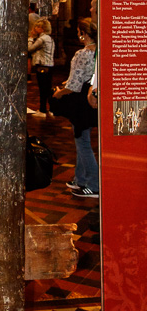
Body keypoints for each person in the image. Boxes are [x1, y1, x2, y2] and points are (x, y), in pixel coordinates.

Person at [52, 17, 98, 197]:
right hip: (93, 97)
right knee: (83, 138)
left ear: (83, 34)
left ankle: (94, 184)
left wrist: (58, 93)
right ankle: (81, 179)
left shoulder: (82, 54)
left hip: (80, 101)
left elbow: (74, 85)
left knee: (82, 141)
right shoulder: (100, 51)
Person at [28, 18, 55, 118]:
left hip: (42, 66)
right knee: (48, 89)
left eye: (37, 27)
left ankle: (43, 110)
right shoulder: (50, 39)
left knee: (43, 89)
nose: (35, 28)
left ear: (42, 28)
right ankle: (51, 109)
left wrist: (30, 38)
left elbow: (30, 49)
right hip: (50, 66)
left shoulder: (42, 39)